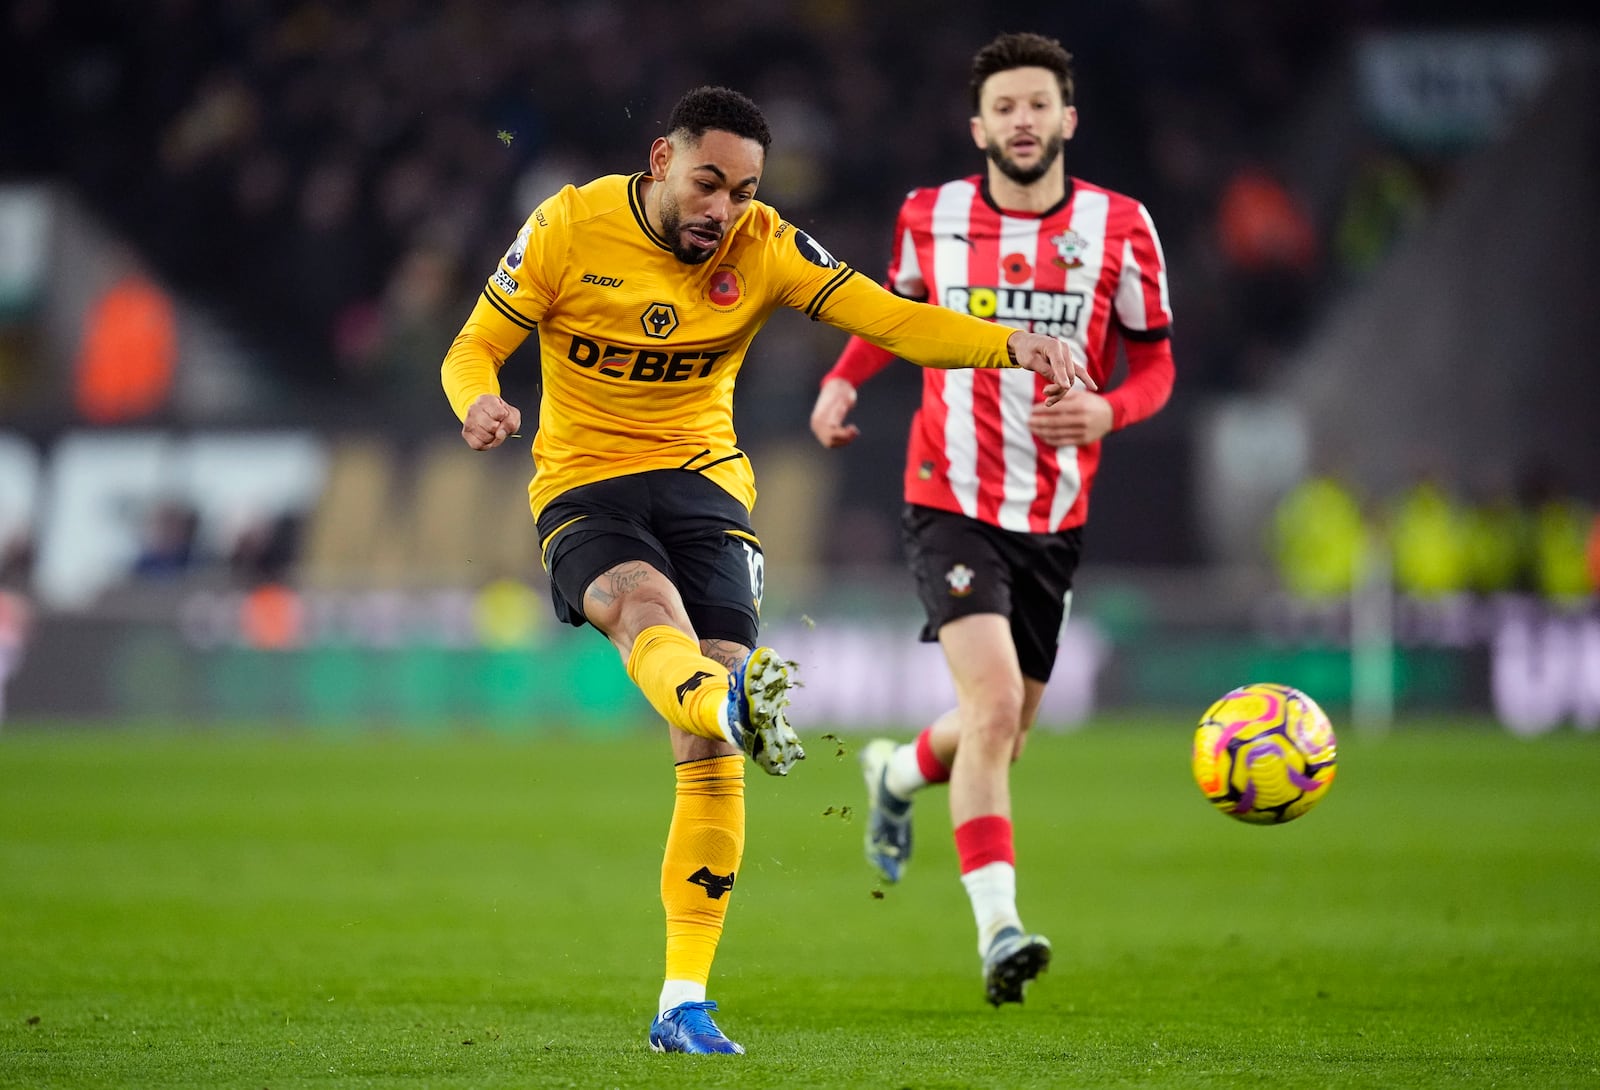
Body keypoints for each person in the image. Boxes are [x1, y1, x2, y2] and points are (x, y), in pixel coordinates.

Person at [441, 85, 1092, 1055]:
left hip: (705, 485)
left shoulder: (765, 245)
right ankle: (726, 704)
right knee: (644, 614)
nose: (723, 209)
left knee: (705, 745)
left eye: (743, 190)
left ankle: (681, 1003)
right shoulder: (566, 227)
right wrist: (479, 401)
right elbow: (472, 347)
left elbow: (889, 317)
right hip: (585, 484)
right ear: (660, 160)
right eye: (708, 183)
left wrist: (1012, 343)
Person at [809, 33, 1176, 1007]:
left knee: (999, 732)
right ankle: (998, 931)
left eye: (1037, 104)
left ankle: (892, 772)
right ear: (978, 126)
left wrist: (1107, 410)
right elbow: (898, 316)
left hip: (1053, 511)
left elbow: (1155, 363)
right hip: (947, 493)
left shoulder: (1122, 227)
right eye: (1003, 107)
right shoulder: (928, 216)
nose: (1022, 121)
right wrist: (842, 383)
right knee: (996, 708)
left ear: (1067, 118)